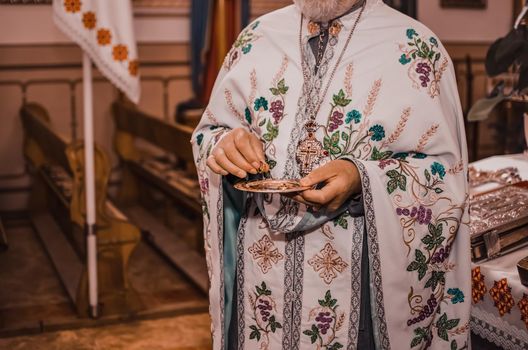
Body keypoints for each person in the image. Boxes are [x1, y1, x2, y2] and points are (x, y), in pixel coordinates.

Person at [192, 0, 471, 349]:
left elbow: (444, 175)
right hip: (258, 285)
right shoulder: (255, 38)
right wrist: (224, 144)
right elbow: (210, 132)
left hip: (360, 293)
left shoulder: (414, 47)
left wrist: (360, 178)